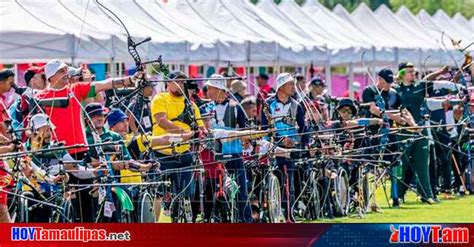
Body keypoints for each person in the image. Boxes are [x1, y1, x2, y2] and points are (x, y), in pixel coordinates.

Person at [35, 59, 141, 159]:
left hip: (80, 148)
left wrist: (130, 79)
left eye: (66, 70)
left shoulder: (76, 89)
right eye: (61, 71)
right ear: (51, 76)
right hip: (56, 152)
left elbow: (104, 84)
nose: (66, 73)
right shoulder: (40, 96)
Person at [151, 70, 205, 222]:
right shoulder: (159, 98)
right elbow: (162, 121)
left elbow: (200, 127)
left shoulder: (191, 104)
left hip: (183, 154)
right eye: (177, 81)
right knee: (158, 194)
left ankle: (186, 220)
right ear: (168, 83)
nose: (180, 85)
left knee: (186, 194)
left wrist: (203, 133)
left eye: (182, 82)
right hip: (162, 155)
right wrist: (183, 133)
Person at [200, 74, 252, 223]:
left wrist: (246, 139)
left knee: (241, 191)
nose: (207, 92)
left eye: (210, 88)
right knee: (209, 190)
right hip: (212, 157)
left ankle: (245, 221)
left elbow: (245, 129)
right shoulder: (205, 109)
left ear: (219, 89)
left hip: (233, 155)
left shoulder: (236, 107)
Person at [260, 73, 307, 222]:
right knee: (275, 180)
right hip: (273, 148)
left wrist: (303, 144)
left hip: (290, 150)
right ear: (281, 86)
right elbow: (265, 128)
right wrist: (280, 139)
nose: (294, 88)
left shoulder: (297, 105)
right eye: (290, 85)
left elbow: (303, 128)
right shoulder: (268, 104)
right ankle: (273, 212)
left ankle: (289, 215)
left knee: (289, 182)